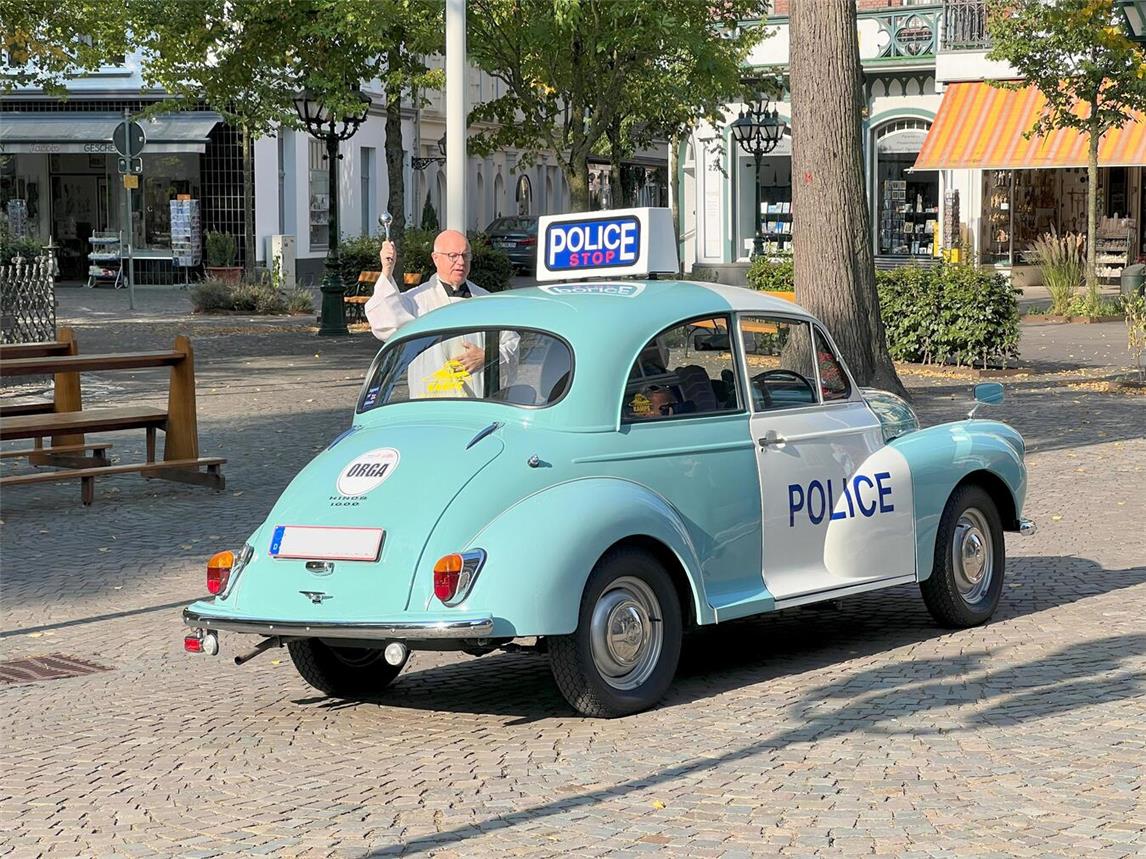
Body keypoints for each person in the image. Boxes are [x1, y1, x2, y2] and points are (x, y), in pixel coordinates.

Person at [364, 229, 517, 398]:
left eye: (465, 255)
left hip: (479, 405)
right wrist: (387, 270)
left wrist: (488, 356)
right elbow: (386, 322)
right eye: (453, 255)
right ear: (435, 258)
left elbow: (511, 343)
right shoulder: (417, 300)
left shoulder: (487, 301)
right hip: (431, 404)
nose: (460, 262)